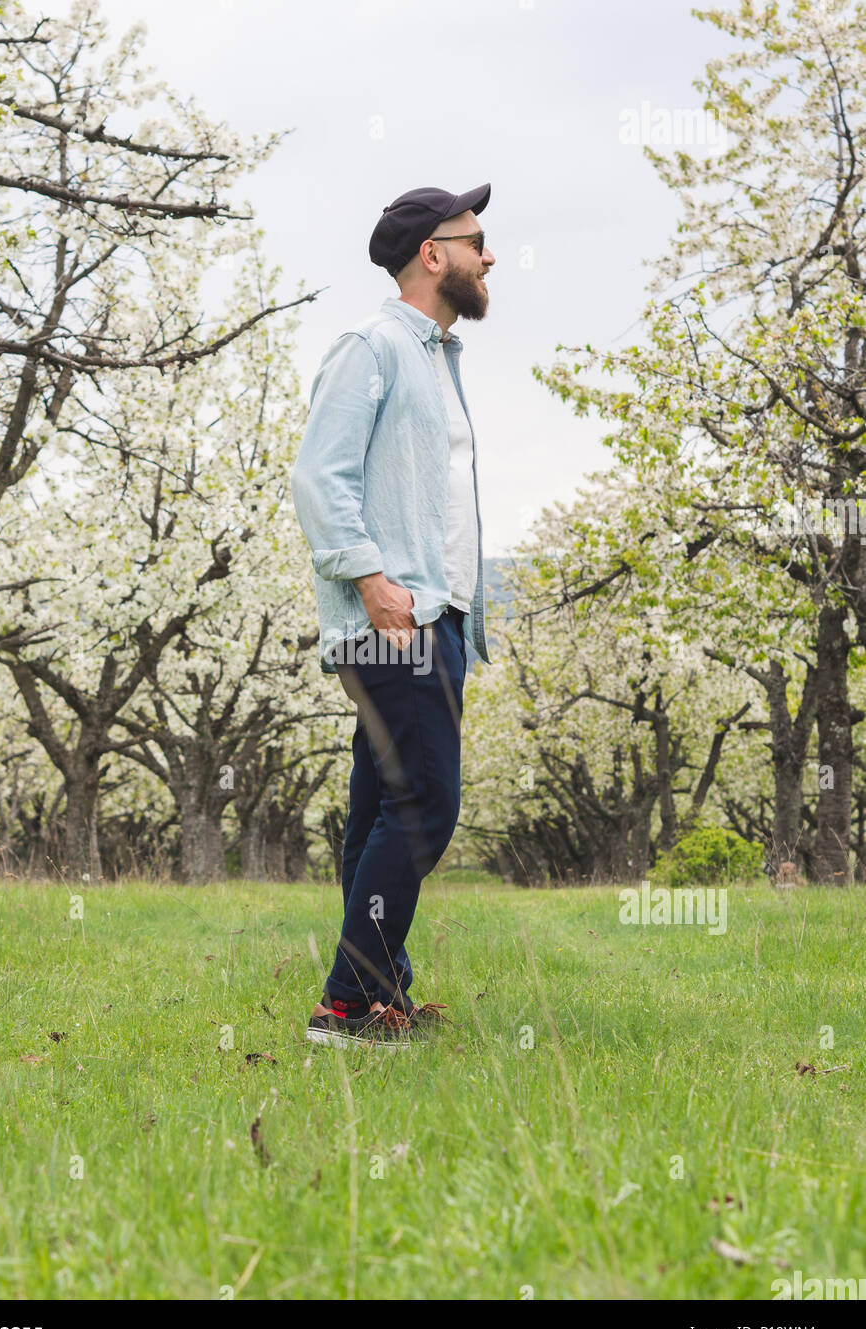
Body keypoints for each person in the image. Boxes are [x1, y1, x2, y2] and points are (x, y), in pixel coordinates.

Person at [290, 183, 495, 1048]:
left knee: (384, 803)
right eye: (475, 240)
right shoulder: (371, 347)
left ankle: (379, 992)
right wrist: (372, 581)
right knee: (425, 806)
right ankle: (347, 1002)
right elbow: (317, 476)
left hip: (433, 616)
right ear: (431, 254)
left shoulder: (436, 358)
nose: (489, 257)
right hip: (394, 617)